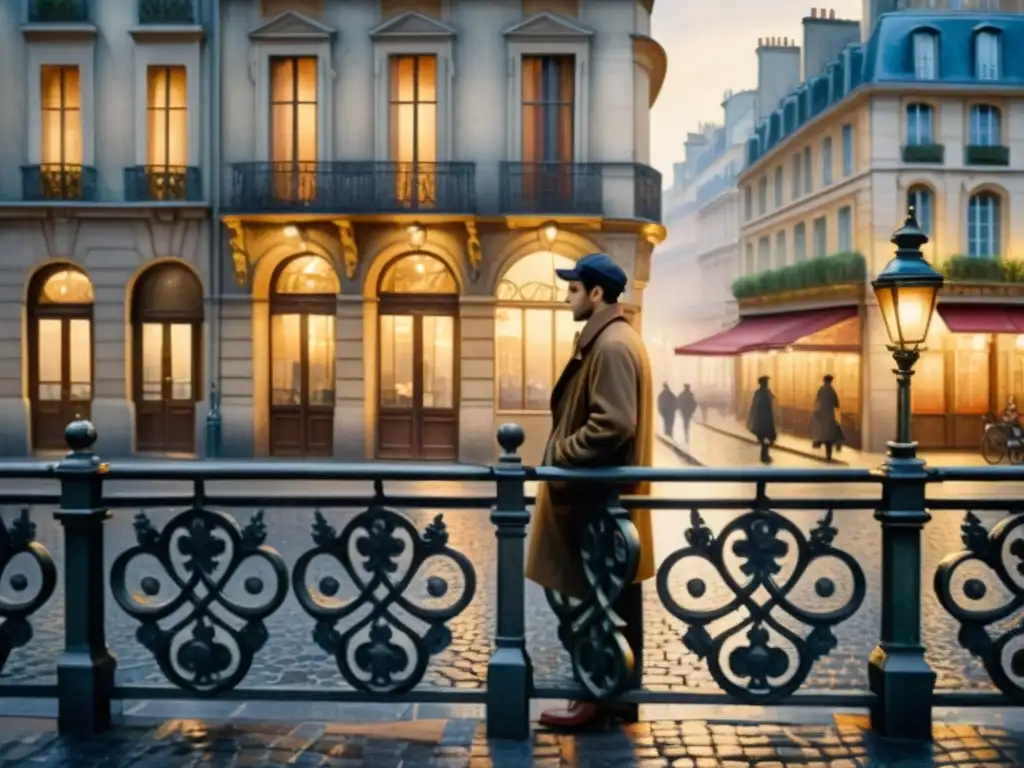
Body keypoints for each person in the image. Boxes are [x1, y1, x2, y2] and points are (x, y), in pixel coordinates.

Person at [525, 252, 655, 730]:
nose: (567, 295)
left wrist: (562, 453)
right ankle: (613, 695)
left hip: (600, 503)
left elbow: (614, 423)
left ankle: (597, 696)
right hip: (604, 502)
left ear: (596, 293)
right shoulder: (611, 338)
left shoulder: (612, 344)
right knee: (608, 598)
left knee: (597, 599)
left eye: (574, 287)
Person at [810, 374, 844, 461]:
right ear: (831, 381)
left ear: (824, 380)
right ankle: (829, 454)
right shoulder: (832, 391)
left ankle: (817, 443)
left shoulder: (821, 389)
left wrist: (816, 411)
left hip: (821, 416)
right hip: (829, 416)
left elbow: (817, 401)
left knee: (821, 432)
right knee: (830, 435)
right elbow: (837, 404)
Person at [747, 375, 777, 464]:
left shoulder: (766, 392)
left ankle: (764, 455)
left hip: (767, 420)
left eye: (767, 382)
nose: (767, 384)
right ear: (762, 383)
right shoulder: (760, 393)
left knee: (770, 438)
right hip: (762, 421)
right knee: (765, 438)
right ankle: (764, 456)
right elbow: (757, 406)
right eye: (766, 382)